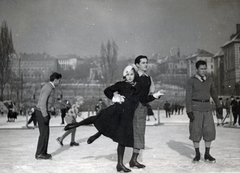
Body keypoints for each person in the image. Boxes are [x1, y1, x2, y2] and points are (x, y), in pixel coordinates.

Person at [65, 65, 139, 172]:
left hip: (127, 116)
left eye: (132, 74)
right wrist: (115, 97)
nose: (130, 77)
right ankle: (76, 124)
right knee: (97, 118)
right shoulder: (121, 85)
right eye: (127, 75)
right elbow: (107, 91)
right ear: (124, 76)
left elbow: (142, 98)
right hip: (116, 111)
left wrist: (155, 96)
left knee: (121, 139)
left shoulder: (136, 87)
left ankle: (119, 164)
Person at [129, 55, 164, 169]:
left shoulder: (149, 78)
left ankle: (133, 159)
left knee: (139, 132)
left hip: (141, 107)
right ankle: (124, 161)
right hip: (131, 107)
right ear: (137, 65)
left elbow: (148, 95)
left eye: (146, 62)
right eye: (143, 62)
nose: (146, 64)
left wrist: (156, 95)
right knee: (128, 132)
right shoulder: (132, 76)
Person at [185, 60, 222, 163]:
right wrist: (189, 110)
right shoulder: (191, 81)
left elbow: (214, 93)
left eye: (205, 68)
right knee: (195, 131)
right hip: (196, 108)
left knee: (209, 130)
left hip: (207, 108)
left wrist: (218, 105)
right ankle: (197, 154)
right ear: (197, 69)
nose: (203, 71)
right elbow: (188, 97)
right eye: (201, 69)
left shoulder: (209, 80)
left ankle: (207, 153)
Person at [35, 72, 62, 160]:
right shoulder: (48, 87)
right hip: (41, 112)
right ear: (55, 80)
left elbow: (48, 102)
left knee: (46, 133)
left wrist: (51, 109)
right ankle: (39, 153)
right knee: (43, 133)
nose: (59, 82)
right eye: (59, 80)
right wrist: (45, 115)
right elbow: (43, 102)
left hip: (44, 112)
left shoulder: (50, 87)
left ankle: (43, 152)